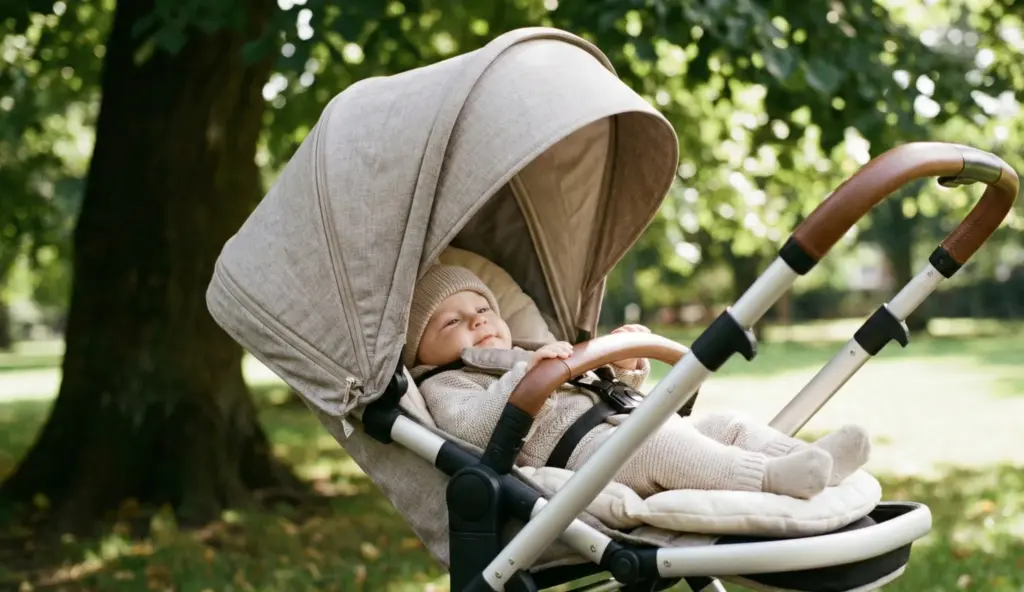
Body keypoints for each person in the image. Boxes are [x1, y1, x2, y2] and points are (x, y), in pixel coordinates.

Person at [404, 264, 870, 499]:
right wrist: (526, 378)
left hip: (629, 418)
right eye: (451, 323)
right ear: (418, 351)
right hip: (583, 456)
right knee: (662, 449)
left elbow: (591, 384)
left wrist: (623, 366)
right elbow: (474, 430)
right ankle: (768, 479)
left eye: (483, 310)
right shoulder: (443, 386)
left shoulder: (525, 351)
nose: (477, 322)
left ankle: (806, 458)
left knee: (726, 425)